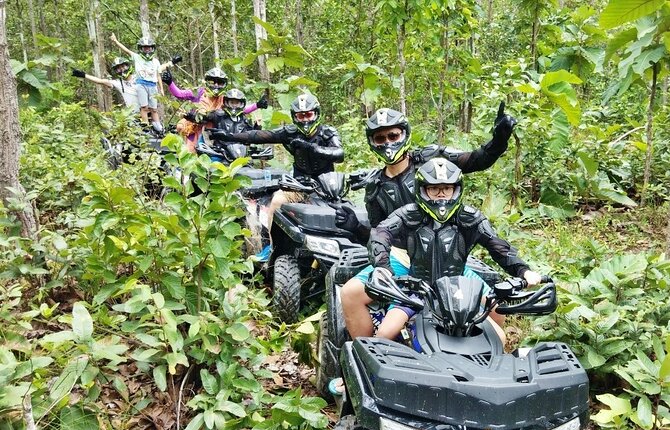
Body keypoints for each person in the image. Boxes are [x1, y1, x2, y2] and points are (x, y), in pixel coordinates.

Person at [337, 105, 516, 340]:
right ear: (372, 142)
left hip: (447, 249)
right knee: (350, 293)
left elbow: (475, 160)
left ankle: (491, 360)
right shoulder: (375, 187)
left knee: (494, 308)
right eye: (380, 138)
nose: (388, 143)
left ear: (404, 133)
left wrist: (499, 140)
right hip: (400, 258)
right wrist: (356, 228)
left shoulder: (433, 158)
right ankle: (365, 356)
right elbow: (378, 235)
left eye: (393, 135)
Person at [368, 157, 542, 341]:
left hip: (459, 289)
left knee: (499, 337)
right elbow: (380, 233)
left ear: (456, 189)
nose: (441, 194)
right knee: (384, 334)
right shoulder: (408, 214)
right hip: (416, 289)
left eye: (447, 188)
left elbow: (497, 245)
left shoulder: (470, 217)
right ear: (423, 189)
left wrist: (523, 270)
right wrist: (383, 267)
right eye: (434, 188)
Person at [212, 92, 344, 261]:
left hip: (327, 187)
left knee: (343, 215)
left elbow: (339, 153)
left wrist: (311, 148)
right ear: (294, 117)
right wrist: (229, 136)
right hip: (299, 185)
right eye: (300, 116)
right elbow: (260, 135)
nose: (305, 120)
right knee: (276, 201)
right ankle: (271, 247)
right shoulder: (290, 132)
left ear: (316, 114)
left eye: (308, 114)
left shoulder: (327, 132)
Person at [161, 68, 268, 152]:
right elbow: (179, 94)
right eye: (213, 82)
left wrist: (257, 105)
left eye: (220, 82)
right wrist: (170, 83)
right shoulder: (198, 93)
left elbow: (239, 109)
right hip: (195, 128)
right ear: (207, 82)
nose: (216, 86)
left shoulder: (224, 99)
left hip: (214, 131)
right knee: (191, 152)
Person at [110, 33, 170, 133]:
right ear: (141, 49)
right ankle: (145, 127)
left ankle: (159, 127)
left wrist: (162, 89)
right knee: (144, 107)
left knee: (154, 108)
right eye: (144, 48)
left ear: (152, 48)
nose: (147, 50)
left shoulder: (155, 61)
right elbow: (127, 50)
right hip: (141, 84)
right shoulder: (137, 57)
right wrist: (116, 42)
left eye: (148, 48)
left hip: (152, 85)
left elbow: (158, 74)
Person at [71, 57, 139, 112]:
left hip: (147, 110)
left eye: (123, 66)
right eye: (118, 69)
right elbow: (100, 81)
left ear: (128, 66)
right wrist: (83, 75)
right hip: (134, 114)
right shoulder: (118, 82)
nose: (121, 69)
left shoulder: (139, 77)